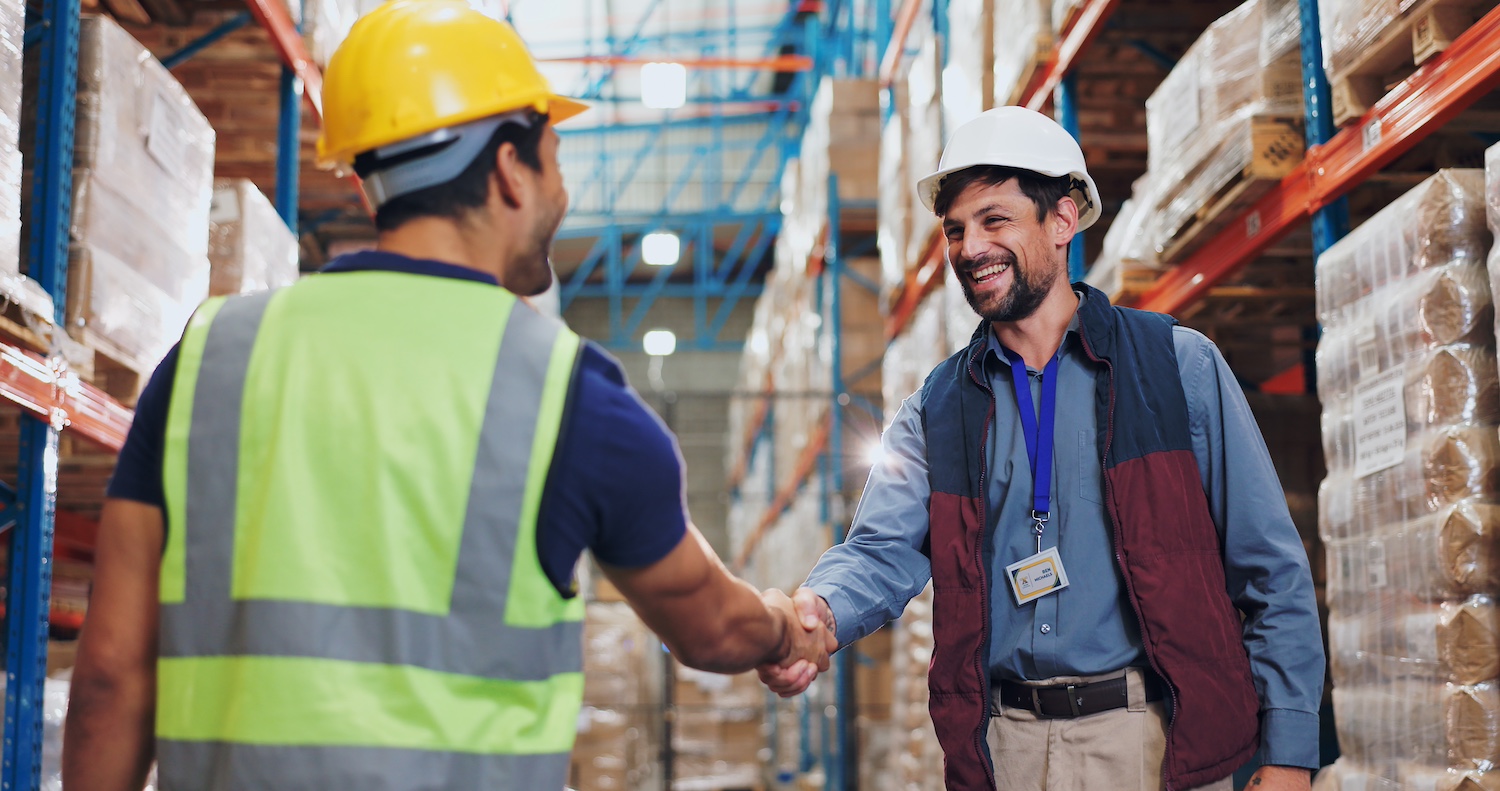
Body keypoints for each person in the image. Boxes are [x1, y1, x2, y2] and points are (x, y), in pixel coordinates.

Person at [62, 3, 833, 789]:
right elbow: (706, 623)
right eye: (555, 157)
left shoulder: (211, 352)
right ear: (509, 170)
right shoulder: (571, 395)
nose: (561, 190)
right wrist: (783, 626)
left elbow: (112, 676)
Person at [757, 106, 1324, 791]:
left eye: (995, 220)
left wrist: (1289, 749)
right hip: (1006, 746)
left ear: (1061, 221)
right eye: (956, 230)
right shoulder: (938, 409)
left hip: (1154, 736)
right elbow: (879, 551)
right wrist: (816, 613)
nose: (970, 247)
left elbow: (1269, 565)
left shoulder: (1176, 367)